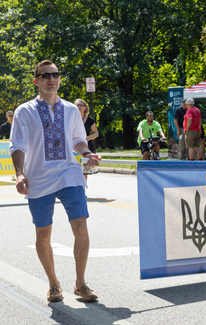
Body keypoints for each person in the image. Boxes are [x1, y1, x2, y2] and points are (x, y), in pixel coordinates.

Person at [9, 60, 101, 302]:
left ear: (60, 79)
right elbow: (17, 146)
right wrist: (20, 173)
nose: (51, 78)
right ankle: (53, 284)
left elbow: (78, 141)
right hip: (38, 178)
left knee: (80, 227)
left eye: (55, 74)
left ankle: (80, 283)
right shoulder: (24, 111)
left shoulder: (71, 110)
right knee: (43, 234)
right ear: (36, 80)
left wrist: (87, 154)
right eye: (45, 75)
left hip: (69, 174)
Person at [75, 99, 99, 180]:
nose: (79, 107)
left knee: (85, 170)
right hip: (74, 147)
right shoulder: (71, 119)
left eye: (81, 105)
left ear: (85, 108)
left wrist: (88, 138)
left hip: (86, 146)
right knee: (75, 169)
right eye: (77, 105)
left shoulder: (89, 120)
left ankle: (84, 188)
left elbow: (96, 133)